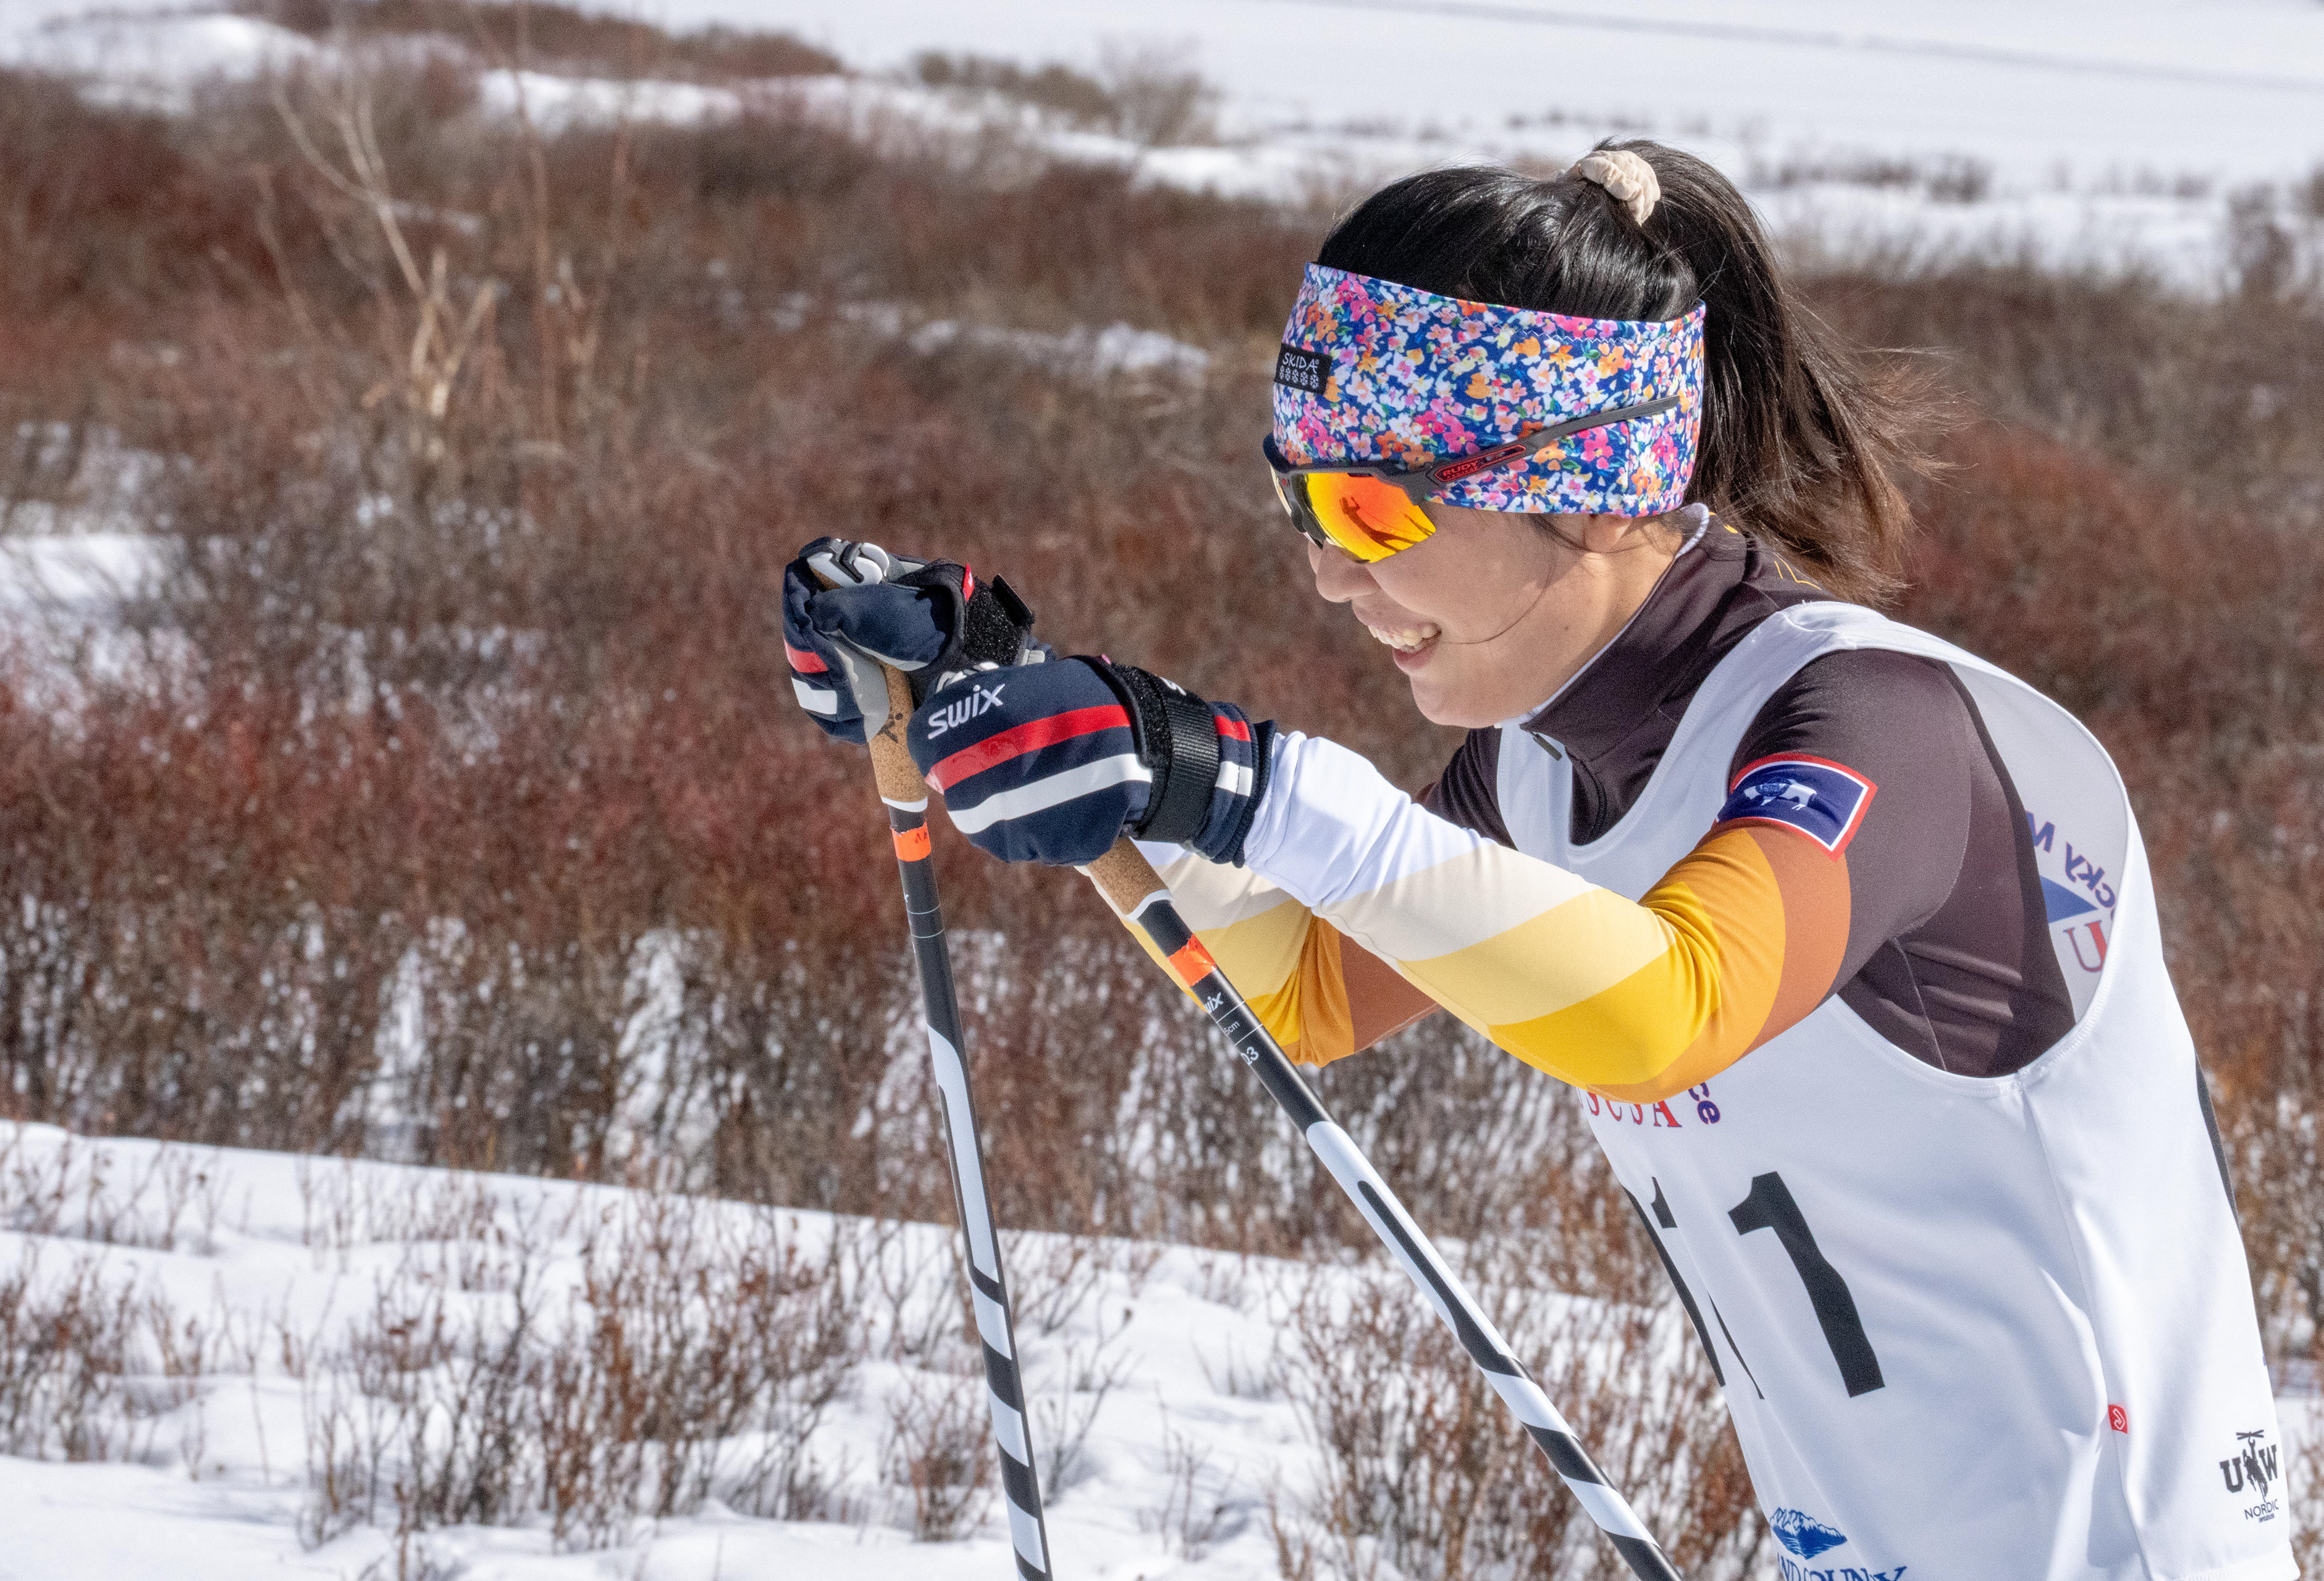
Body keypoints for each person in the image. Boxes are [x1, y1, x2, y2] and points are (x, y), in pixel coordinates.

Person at [781, 141, 2294, 1579]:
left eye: (1374, 504)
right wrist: (1030, 721)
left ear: (1600, 486)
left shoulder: (1879, 725)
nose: (1331, 572)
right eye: (1298, 497)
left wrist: (1243, 778)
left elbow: (1664, 1010)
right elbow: (1303, 988)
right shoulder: (1538, 767)